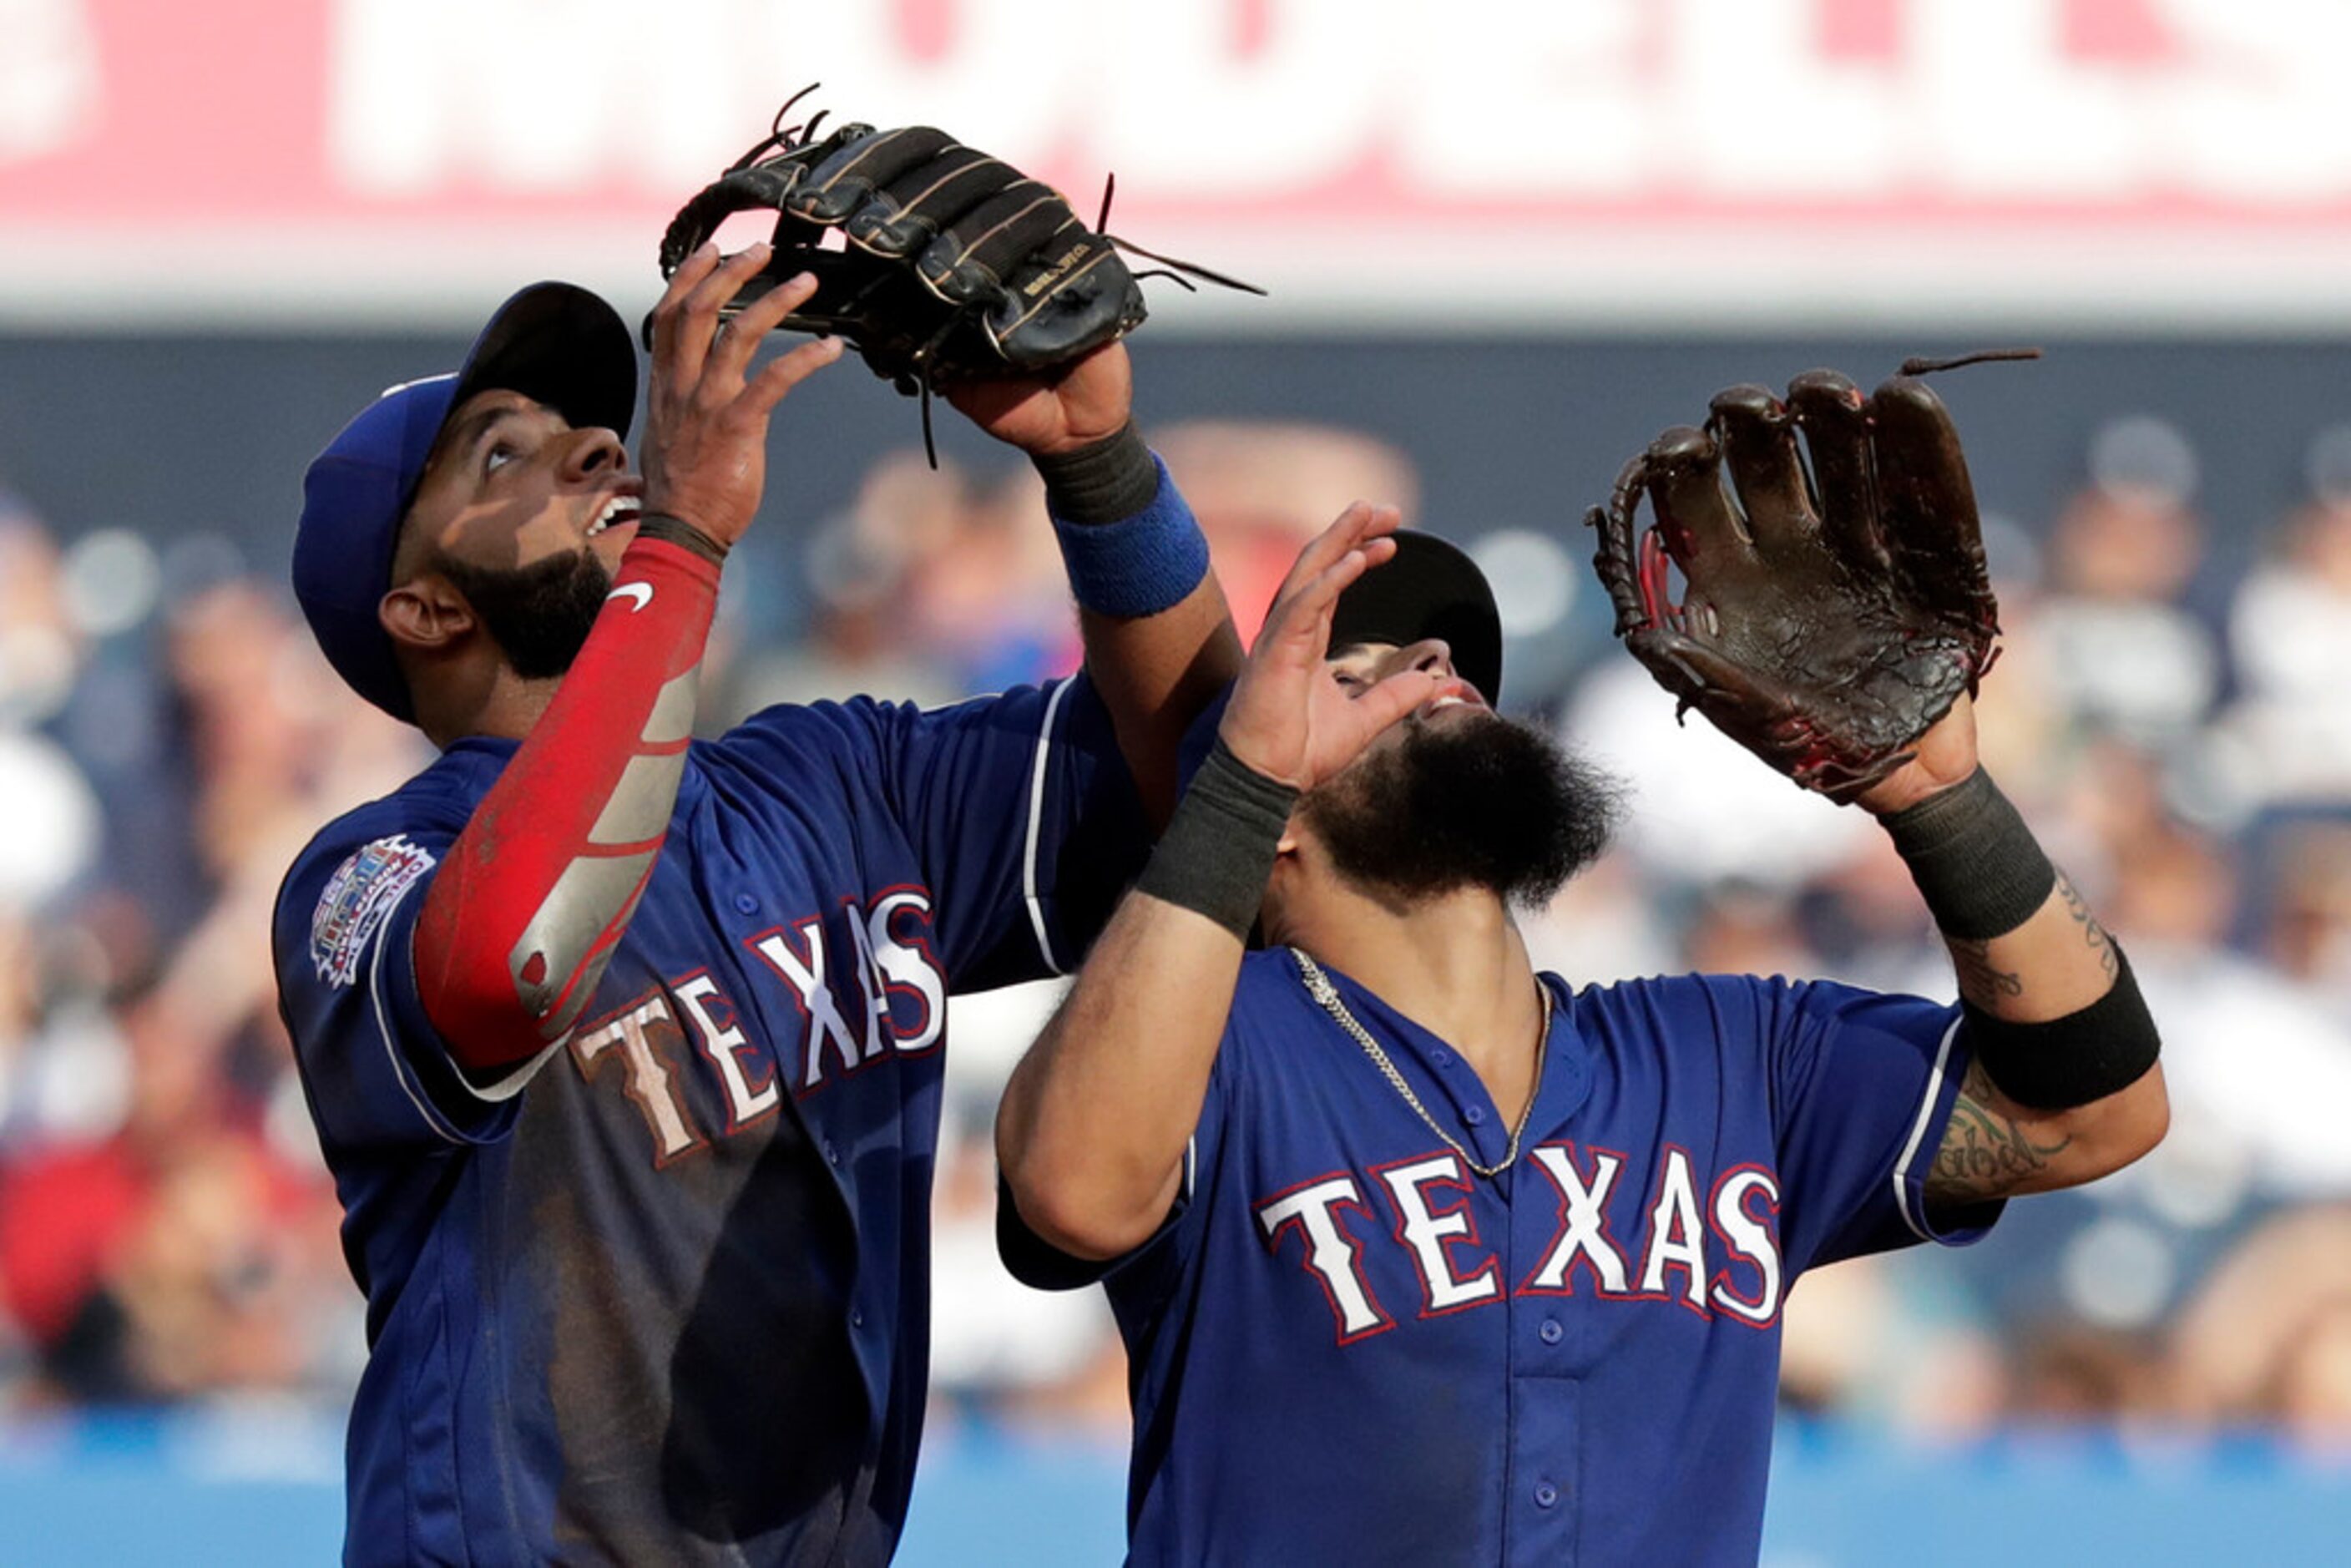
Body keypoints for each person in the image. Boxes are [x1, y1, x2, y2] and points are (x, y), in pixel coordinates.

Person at [270, 240, 1241, 1565]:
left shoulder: (838, 783)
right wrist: (680, 539)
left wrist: (1098, 462)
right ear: (426, 608)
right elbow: (514, 964)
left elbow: (1197, 779)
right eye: (502, 455)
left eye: (588, 429)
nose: (595, 451)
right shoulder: (366, 876)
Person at [994, 512, 2170, 1565]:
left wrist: (1938, 797)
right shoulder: (1215, 1046)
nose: (1434, 668)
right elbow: (1074, 1191)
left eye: (1446, 659)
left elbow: (2093, 1110)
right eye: (1354, 676)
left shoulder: (1730, 1054)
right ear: (1268, 812)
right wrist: (1231, 803)